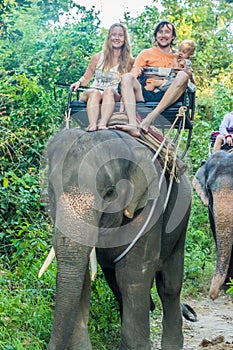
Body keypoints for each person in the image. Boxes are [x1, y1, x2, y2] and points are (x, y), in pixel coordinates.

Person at [116, 21, 193, 136]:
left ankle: (150, 118)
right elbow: (133, 74)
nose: (163, 35)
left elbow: (190, 81)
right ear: (156, 35)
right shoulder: (146, 53)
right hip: (147, 93)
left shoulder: (180, 55)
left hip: (169, 95)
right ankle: (132, 124)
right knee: (127, 77)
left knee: (183, 75)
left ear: (172, 37)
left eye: (167, 32)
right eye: (160, 32)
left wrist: (187, 72)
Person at [70, 23, 134, 131]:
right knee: (95, 92)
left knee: (108, 91)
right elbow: (86, 77)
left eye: (120, 35)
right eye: (114, 35)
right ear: (109, 37)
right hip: (95, 91)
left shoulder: (130, 61)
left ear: (125, 39)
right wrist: (79, 83)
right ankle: (92, 124)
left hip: (113, 94)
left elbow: (129, 83)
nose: (117, 38)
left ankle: (103, 123)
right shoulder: (98, 57)